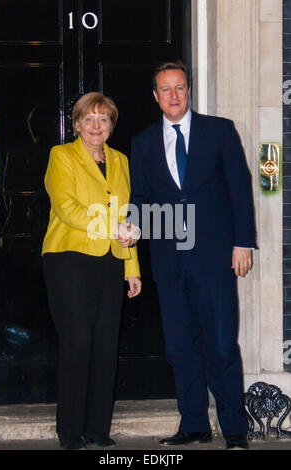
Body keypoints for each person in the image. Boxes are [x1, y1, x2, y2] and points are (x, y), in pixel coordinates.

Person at [129, 61, 256, 450]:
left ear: (189, 90)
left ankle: (235, 429)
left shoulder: (219, 131)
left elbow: (239, 187)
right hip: (169, 262)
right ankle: (195, 425)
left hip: (216, 259)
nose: (173, 96)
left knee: (220, 345)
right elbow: (141, 197)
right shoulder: (144, 141)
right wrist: (133, 227)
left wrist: (243, 243)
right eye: (165, 90)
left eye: (179, 88)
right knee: (180, 348)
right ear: (155, 96)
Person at [42, 92, 141, 450]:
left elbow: (126, 216)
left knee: (104, 347)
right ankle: (70, 432)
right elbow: (66, 207)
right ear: (77, 124)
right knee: (77, 343)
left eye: (103, 119)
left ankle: (98, 429)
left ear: (112, 125)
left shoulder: (120, 160)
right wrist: (111, 228)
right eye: (89, 119)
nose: (96, 126)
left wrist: (132, 268)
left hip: (111, 259)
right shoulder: (61, 155)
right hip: (69, 258)